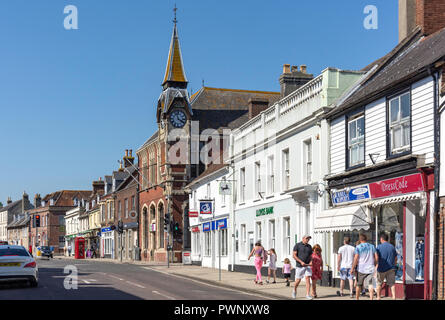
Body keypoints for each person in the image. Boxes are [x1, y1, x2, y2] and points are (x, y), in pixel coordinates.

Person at [351, 233, 378, 300]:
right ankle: (371, 298)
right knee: (370, 284)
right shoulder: (372, 246)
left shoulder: (358, 247)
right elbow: (376, 257)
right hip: (370, 269)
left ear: (360, 240)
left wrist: (353, 268)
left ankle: (357, 298)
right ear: (366, 239)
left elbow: (356, 258)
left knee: (359, 285)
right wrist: (375, 264)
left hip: (361, 269)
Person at [376, 233, 397, 300]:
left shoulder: (379, 247)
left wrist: (375, 265)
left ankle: (378, 297)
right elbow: (395, 258)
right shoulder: (392, 247)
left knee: (379, 283)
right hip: (391, 268)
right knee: (392, 284)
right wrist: (395, 265)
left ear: (381, 239)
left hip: (381, 268)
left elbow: (376, 257)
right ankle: (394, 297)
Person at [291, 235, 313, 300]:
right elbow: (294, 256)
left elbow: (311, 256)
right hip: (300, 266)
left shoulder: (309, 246)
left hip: (307, 265)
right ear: (303, 238)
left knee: (308, 279)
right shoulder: (297, 245)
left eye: (308, 239)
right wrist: (301, 262)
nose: (307, 240)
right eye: (306, 238)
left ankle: (307, 294)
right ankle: (294, 290)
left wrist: (311, 262)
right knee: (298, 280)